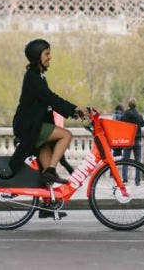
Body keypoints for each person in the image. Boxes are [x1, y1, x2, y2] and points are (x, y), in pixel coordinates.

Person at [8, 39, 87, 185]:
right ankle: (51, 170)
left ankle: (47, 200)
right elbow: (50, 98)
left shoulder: (37, 75)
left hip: (30, 124)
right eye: (46, 54)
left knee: (46, 167)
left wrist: (74, 112)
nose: (50, 57)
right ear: (37, 56)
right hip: (29, 126)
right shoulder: (33, 77)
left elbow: (50, 98)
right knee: (66, 135)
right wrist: (73, 109)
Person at [121, 98, 144, 185]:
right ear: (136, 105)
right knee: (138, 162)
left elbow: (120, 122)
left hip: (128, 140)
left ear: (129, 105)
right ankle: (137, 180)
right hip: (137, 140)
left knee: (125, 161)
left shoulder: (126, 114)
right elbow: (143, 124)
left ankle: (124, 179)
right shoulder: (139, 114)